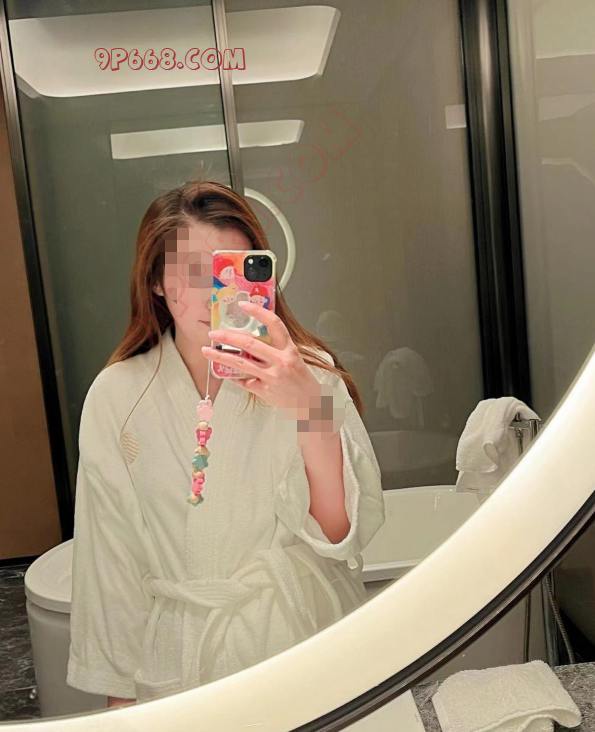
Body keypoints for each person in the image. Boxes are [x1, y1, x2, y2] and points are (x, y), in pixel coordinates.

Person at [66, 180, 385, 708]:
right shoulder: (117, 394)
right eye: (193, 271)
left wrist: (308, 407)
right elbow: (109, 557)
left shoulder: (311, 377)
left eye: (231, 271)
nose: (217, 293)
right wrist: (119, 700)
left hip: (302, 638)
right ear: (155, 281)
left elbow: (339, 534)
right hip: (180, 654)